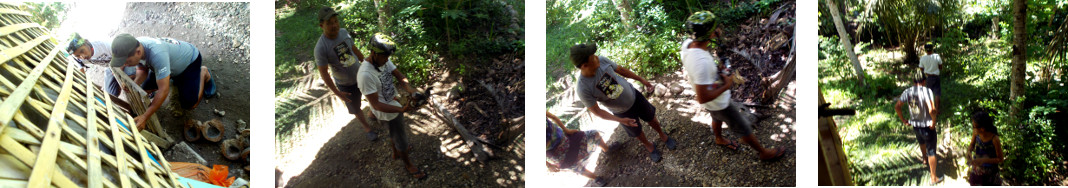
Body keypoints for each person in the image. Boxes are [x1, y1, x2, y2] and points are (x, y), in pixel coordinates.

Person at [679, 11, 786, 161]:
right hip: (719, 103)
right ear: (709, 34)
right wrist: (726, 85)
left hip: (712, 103)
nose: (719, 30)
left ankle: (718, 138)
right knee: (743, 127)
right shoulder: (701, 62)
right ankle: (763, 153)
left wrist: (716, 71)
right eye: (715, 29)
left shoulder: (688, 44)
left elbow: (700, 75)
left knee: (716, 118)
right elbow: (702, 97)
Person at [570, 42, 677, 162]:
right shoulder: (583, 88)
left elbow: (621, 70)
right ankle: (649, 145)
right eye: (592, 57)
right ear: (584, 65)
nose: (596, 57)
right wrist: (620, 120)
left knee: (651, 117)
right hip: (621, 112)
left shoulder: (602, 61)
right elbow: (597, 111)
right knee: (637, 132)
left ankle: (662, 135)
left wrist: (641, 79)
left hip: (635, 97)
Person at [109, 33, 217, 131]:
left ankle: (203, 73)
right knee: (145, 89)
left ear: (138, 52)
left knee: (190, 104)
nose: (126, 65)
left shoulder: (156, 54)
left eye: (127, 62)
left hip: (189, 63)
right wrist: (134, 85)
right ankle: (169, 76)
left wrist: (145, 117)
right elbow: (142, 70)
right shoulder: (136, 46)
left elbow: (163, 90)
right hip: (166, 64)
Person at [357, 33, 425, 180]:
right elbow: (375, 104)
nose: (387, 60)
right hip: (388, 113)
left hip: (392, 104)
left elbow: (399, 76)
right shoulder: (365, 75)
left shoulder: (383, 60)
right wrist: (402, 109)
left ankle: (396, 152)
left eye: (388, 57)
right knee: (401, 140)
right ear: (374, 53)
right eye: (384, 57)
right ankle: (408, 165)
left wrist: (411, 90)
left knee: (394, 134)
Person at [314, 6, 376, 140]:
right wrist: (337, 92)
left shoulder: (343, 32)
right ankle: (367, 127)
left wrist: (366, 63)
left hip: (360, 74)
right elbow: (324, 73)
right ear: (321, 25)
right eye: (329, 23)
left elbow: (353, 49)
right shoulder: (321, 48)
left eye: (335, 21)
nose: (334, 25)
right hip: (345, 84)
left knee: (371, 94)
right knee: (356, 107)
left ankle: (372, 112)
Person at [66, 32, 148, 97]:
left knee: (132, 77)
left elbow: (125, 56)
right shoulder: (78, 59)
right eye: (77, 55)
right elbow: (81, 72)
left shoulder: (105, 45)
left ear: (86, 42)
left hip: (124, 60)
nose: (82, 56)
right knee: (110, 94)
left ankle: (146, 86)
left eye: (82, 51)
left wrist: (120, 77)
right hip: (110, 68)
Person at [894, 77, 941, 185]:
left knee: (921, 141)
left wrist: (903, 120)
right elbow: (932, 110)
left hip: (915, 125)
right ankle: (933, 178)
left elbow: (897, 106)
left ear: (913, 82)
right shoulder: (927, 91)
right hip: (927, 127)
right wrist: (933, 123)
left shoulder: (907, 91)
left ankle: (924, 159)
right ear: (924, 81)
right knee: (932, 151)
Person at [546, 112, 612, 186]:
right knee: (573, 165)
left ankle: (607, 149)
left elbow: (553, 117)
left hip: (565, 138)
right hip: (554, 152)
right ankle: (595, 178)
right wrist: (548, 165)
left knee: (593, 134)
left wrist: (566, 130)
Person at [967, 110, 1004, 185]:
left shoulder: (994, 139)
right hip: (977, 170)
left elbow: (1000, 159)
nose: (973, 129)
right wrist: (969, 151)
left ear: (982, 128)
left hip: (989, 174)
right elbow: (972, 144)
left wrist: (984, 160)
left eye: (974, 126)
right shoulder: (976, 133)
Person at [918, 43, 942, 111]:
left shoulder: (923, 58)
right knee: (937, 93)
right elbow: (940, 67)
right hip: (936, 76)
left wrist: (927, 70)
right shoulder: (936, 56)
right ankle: (937, 110)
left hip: (928, 77)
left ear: (925, 50)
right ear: (932, 48)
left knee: (929, 93)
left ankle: (930, 109)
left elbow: (921, 68)